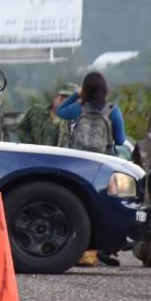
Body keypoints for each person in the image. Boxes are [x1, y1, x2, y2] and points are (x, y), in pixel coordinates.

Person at [57, 71, 126, 267]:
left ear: (85, 90)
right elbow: (120, 140)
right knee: (105, 205)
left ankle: (77, 247)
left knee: (78, 205)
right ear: (105, 90)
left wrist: (76, 95)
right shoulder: (113, 111)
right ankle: (104, 249)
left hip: (79, 164)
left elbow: (60, 111)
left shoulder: (79, 109)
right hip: (104, 165)